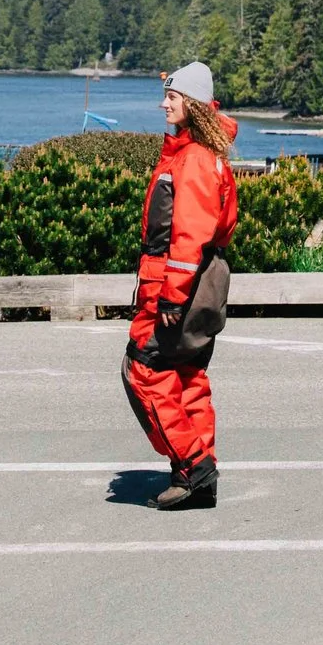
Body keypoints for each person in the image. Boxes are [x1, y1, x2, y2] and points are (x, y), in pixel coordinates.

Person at [121, 61, 238, 511]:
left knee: (144, 369)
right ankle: (197, 470)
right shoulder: (205, 153)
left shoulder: (192, 159)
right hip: (202, 281)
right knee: (188, 375)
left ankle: (192, 466)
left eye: (171, 97)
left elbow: (189, 233)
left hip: (176, 283)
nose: (163, 103)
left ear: (190, 103)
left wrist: (172, 295)